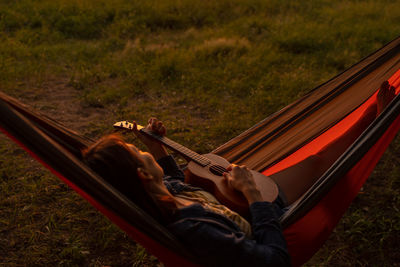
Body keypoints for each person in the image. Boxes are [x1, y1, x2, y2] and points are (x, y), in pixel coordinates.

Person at [82, 81, 396, 267]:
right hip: (278, 226)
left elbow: (174, 181)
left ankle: (372, 121)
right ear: (141, 175)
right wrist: (254, 196)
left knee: (317, 162)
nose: (144, 150)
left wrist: (159, 148)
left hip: (248, 203)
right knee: (331, 183)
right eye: (140, 152)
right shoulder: (196, 229)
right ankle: (379, 130)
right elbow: (273, 260)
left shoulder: (163, 195)